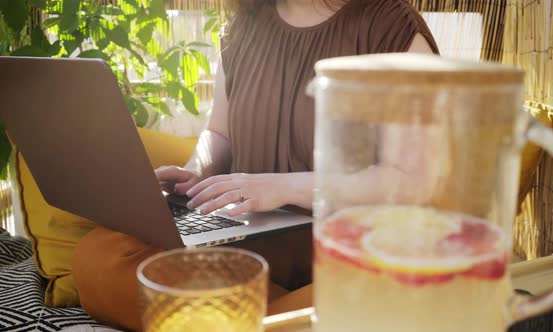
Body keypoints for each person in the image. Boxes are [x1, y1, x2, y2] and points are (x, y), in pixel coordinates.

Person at [72, 0, 439, 330]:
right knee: (99, 255)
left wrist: (281, 187)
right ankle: (279, 320)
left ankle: (236, 315)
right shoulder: (242, 26)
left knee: (373, 297)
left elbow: (415, 180)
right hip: (244, 253)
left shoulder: (392, 26)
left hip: (346, 262)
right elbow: (220, 133)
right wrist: (195, 171)